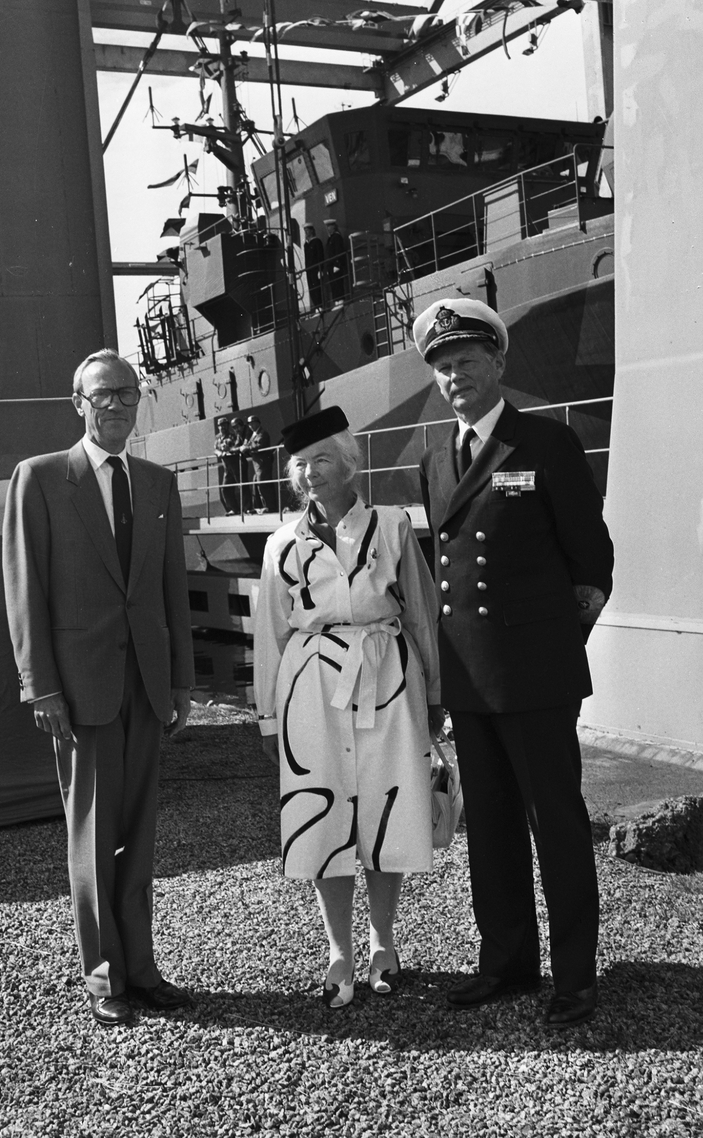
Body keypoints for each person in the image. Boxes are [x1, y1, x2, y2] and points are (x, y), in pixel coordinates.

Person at [413, 299, 614, 1030]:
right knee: (492, 830)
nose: (455, 376)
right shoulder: (434, 461)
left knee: (554, 828)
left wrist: (556, 648)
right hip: (469, 678)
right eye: (443, 366)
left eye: (467, 360)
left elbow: (592, 564)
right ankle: (506, 963)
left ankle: (575, 977)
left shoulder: (546, 443)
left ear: (498, 362)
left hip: (535, 676)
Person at [1, 348, 196, 1028]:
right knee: (92, 834)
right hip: (81, 690)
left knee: (139, 835)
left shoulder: (158, 484)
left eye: (127, 393)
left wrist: (181, 682)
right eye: (102, 394)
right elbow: (25, 588)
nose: (116, 404)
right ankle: (105, 975)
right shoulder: (40, 478)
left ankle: (142, 968)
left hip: (146, 685)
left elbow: (172, 589)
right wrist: (40, 687)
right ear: (78, 403)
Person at [253, 406, 444, 1008]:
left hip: (388, 675)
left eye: (322, 460)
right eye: (301, 465)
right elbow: (270, 634)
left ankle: (384, 941)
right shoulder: (281, 543)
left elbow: (422, 613)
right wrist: (268, 718)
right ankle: (339, 950)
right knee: (322, 815)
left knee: (389, 808)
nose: (310, 474)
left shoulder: (392, 526)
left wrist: (436, 694)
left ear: (349, 462)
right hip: (310, 685)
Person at [242, 414, 276, 513]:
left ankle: (269, 507)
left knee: (263, 485)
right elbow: (249, 444)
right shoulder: (254, 434)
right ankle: (261, 506)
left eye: (252, 423)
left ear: (257, 423)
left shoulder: (262, 433)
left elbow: (259, 444)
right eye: (249, 424)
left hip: (263, 464)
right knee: (257, 484)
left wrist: (246, 448)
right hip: (257, 465)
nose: (251, 426)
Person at [215, 416, 241, 514]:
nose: (223, 427)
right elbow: (215, 449)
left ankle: (246, 508)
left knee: (241, 486)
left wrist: (228, 449)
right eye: (221, 426)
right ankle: (234, 509)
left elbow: (235, 446)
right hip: (227, 467)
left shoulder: (232, 436)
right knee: (225, 489)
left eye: (224, 425)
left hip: (234, 464)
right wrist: (219, 453)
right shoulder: (218, 438)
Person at [323, 218, 349, 306]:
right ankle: (336, 301)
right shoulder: (330, 239)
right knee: (333, 284)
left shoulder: (337, 237)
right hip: (331, 266)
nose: (327, 229)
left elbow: (339, 250)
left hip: (335, 265)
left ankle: (340, 300)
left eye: (329, 226)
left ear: (333, 227)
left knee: (338, 283)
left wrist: (337, 264)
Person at [302, 223, 325, 312]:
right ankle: (317, 307)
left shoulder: (316, 242)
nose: (306, 233)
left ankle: (320, 306)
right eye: (305, 231)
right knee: (311, 288)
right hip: (309, 270)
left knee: (317, 287)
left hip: (316, 268)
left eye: (307, 230)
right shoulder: (306, 245)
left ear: (312, 231)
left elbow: (320, 256)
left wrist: (320, 269)